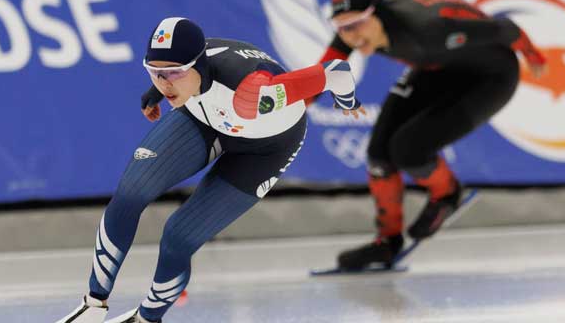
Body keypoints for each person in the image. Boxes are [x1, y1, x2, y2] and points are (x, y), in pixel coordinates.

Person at [57, 17, 365, 323]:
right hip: (205, 119)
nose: (165, 83)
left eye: (173, 74)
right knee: (129, 194)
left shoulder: (255, 94)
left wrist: (347, 101)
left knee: (179, 236)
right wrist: (158, 90)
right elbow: (169, 71)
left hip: (265, 149)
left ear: (198, 65)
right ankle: (93, 305)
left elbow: (336, 71)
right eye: (154, 73)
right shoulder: (181, 77)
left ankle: (148, 319)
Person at [309, 0, 547, 270]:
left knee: (408, 149)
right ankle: (387, 241)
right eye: (341, 27)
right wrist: (291, 108)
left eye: (356, 25)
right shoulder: (356, 32)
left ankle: (447, 194)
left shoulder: (428, 31)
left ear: (377, 13)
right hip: (438, 68)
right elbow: (322, 76)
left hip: (490, 78)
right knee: (379, 155)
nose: (350, 36)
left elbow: (507, 29)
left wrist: (534, 57)